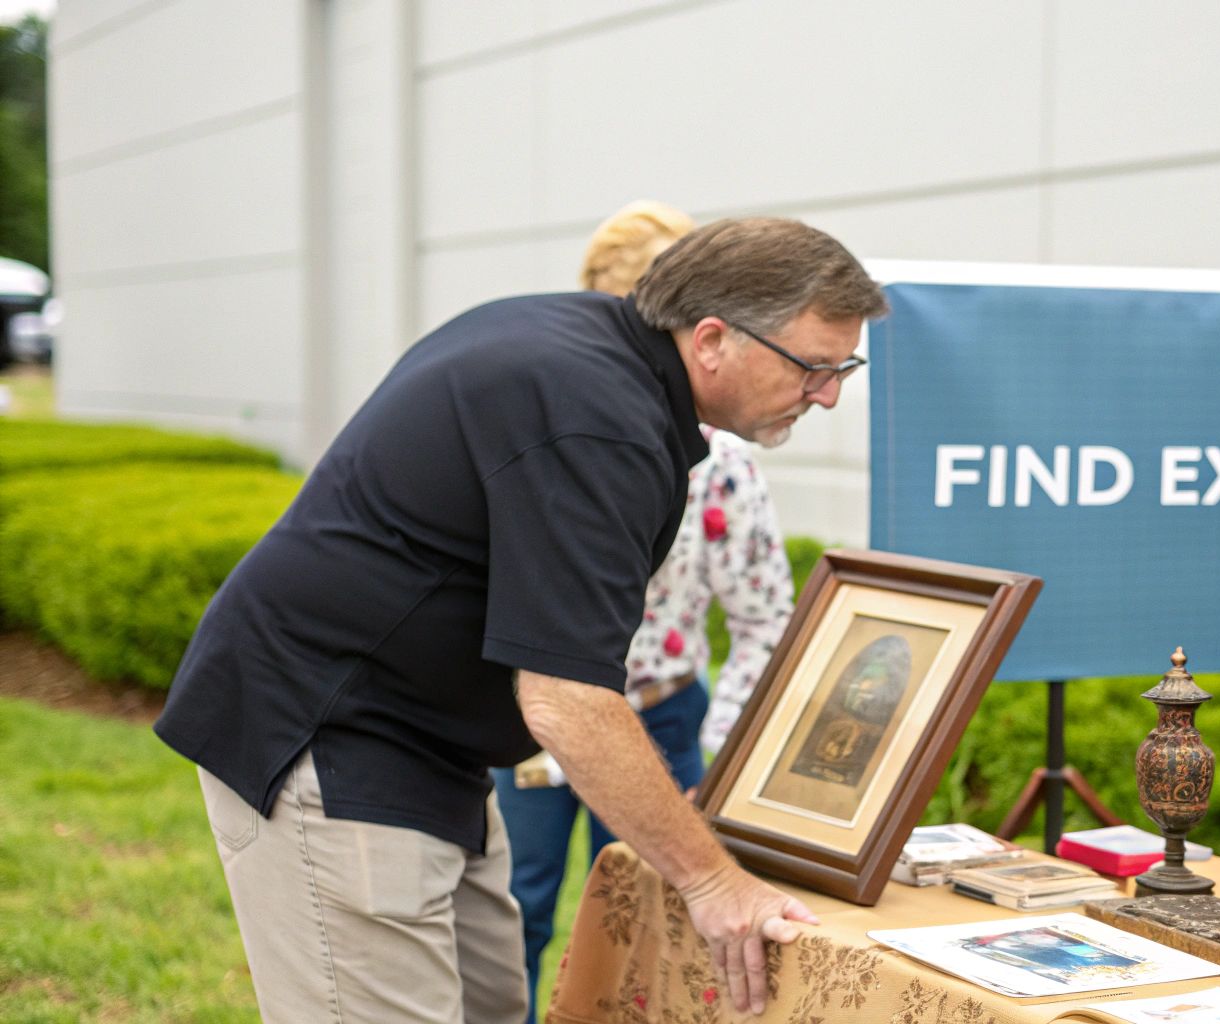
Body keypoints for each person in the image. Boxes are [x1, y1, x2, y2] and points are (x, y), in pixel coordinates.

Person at [154, 217, 887, 1023]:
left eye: (843, 368)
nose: (828, 394)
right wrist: (713, 881)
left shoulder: (585, 348)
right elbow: (567, 699)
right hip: (332, 737)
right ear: (712, 339)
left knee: (493, 1007)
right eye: (814, 367)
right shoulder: (599, 417)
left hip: (433, 749)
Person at [492, 200, 797, 1022]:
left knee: (659, 932)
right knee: (511, 914)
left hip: (662, 722)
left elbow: (765, 617)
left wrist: (719, 746)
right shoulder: (550, 432)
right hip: (530, 718)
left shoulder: (724, 460)